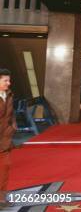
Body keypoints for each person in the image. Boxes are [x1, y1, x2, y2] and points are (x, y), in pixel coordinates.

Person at [0, 69, 16, 206]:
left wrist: (12, 128)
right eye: (5, 80)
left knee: (4, 170)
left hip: (5, 140)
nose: (8, 83)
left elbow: (11, 115)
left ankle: (1, 199)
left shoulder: (9, 94)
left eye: (9, 80)